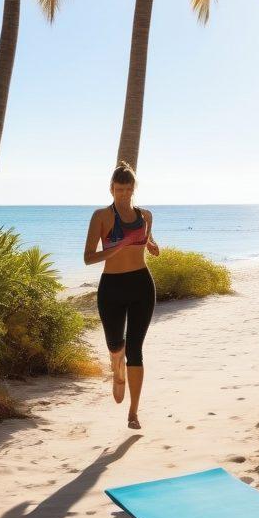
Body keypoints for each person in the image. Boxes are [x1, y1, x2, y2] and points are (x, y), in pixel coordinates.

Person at [84, 162, 159, 429]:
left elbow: (146, 240)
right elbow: (88, 258)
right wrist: (116, 248)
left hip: (141, 285)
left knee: (136, 350)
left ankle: (134, 412)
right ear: (111, 189)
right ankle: (116, 366)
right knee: (116, 344)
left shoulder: (146, 215)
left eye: (128, 189)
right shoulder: (101, 217)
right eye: (118, 189)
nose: (123, 194)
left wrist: (151, 245)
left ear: (134, 189)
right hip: (112, 288)